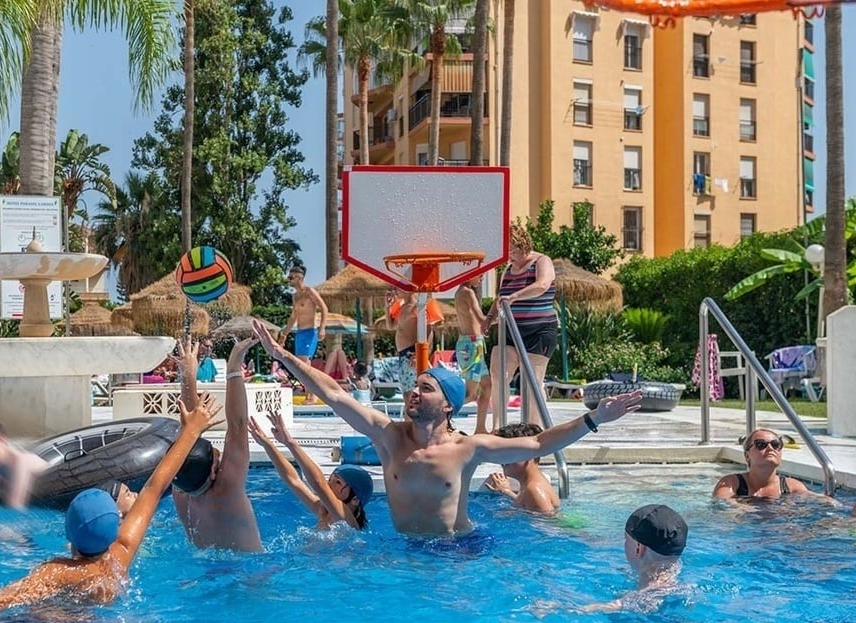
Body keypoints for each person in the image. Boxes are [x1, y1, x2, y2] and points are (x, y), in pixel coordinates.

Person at [252, 318, 642, 537]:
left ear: (448, 405)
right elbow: (335, 394)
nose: (414, 392)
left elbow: (539, 443)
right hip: (406, 550)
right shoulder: (388, 437)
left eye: (426, 388)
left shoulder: (467, 449)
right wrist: (281, 355)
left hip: (459, 552)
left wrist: (594, 418)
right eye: (414, 386)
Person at [0, 394, 224, 612]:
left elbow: (5, 599)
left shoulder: (56, 571)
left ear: (69, 534)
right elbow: (153, 486)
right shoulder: (121, 554)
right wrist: (190, 431)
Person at [171, 337, 263, 552]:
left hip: (203, 568)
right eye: (216, 456)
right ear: (213, 472)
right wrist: (234, 367)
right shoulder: (227, 490)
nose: (220, 455)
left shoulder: (180, 491)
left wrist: (188, 376)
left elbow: (188, 434)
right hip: (250, 570)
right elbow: (238, 427)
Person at [483, 225, 557, 431]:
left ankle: (534, 429)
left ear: (522, 245)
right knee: (499, 373)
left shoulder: (542, 261)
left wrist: (515, 296)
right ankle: (498, 427)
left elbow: (542, 285)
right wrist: (489, 318)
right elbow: (500, 297)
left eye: (512, 251)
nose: (509, 257)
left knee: (531, 383)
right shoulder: (508, 270)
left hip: (539, 331)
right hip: (510, 330)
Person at [247, 411, 372, 530]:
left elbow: (319, 483)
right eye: (330, 479)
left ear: (355, 500)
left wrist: (290, 442)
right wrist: (267, 443)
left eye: (338, 482)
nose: (329, 484)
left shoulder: (345, 519)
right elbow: (293, 480)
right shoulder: (322, 510)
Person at [577, 504, 689, 613]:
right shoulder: (682, 589)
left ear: (639, 548)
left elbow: (581, 611)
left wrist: (578, 609)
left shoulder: (636, 601)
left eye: (626, 539)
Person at [484, 422, 560, 514]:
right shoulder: (531, 487)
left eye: (509, 453)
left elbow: (549, 522)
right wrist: (506, 492)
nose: (503, 458)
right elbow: (529, 507)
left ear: (528, 455)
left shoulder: (534, 490)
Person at [712, 428, 809, 499]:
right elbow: (724, 506)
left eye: (775, 444)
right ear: (747, 455)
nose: (770, 448)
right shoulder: (730, 484)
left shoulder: (793, 487)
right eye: (761, 444)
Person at [279, 265, 328, 404]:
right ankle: (310, 394)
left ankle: (312, 395)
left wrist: (322, 328)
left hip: (310, 332)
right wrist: (284, 335)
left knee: (305, 364)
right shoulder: (295, 296)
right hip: (300, 333)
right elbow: (293, 317)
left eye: (291, 277)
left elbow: (324, 308)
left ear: (299, 278)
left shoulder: (310, 292)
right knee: (303, 365)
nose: (289, 280)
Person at [454, 273, 492, 433]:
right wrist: (498, 316)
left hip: (473, 345)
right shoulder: (467, 292)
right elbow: (481, 318)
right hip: (471, 346)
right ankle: (439, 414)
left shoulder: (461, 292)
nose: (482, 279)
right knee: (470, 394)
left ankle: (480, 428)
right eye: (480, 275)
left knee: (487, 386)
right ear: (469, 275)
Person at [384, 289, 441, 395]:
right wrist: (388, 308)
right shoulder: (402, 308)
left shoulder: (417, 307)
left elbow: (428, 331)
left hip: (412, 354)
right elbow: (390, 326)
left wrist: (421, 354)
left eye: (400, 288)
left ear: (409, 290)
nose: (396, 290)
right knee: (407, 393)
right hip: (404, 355)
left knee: (412, 393)